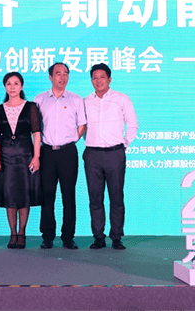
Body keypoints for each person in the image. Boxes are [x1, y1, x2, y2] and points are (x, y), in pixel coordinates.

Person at [84, 63, 138, 250]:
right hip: (92, 154)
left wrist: (124, 144)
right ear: (91, 81)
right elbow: (82, 126)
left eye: (102, 77)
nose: (98, 81)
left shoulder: (121, 99)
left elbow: (132, 124)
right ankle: (98, 237)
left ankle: (116, 237)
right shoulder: (86, 101)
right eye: (95, 78)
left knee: (116, 197)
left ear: (109, 79)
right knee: (95, 198)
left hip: (115, 154)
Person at [34, 62, 87, 250]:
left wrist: (71, 139)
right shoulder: (40, 99)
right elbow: (36, 128)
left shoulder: (76, 99)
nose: (62, 77)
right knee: (47, 195)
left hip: (68, 152)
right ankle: (47, 236)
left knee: (68, 195)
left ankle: (68, 237)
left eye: (66, 73)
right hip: (47, 152)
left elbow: (82, 125)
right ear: (50, 77)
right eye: (58, 73)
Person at [0, 72, 41, 249]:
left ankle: (22, 233)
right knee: (9, 196)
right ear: (5, 87)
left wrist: (36, 157)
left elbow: (36, 133)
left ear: (21, 86)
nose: (12, 87)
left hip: (25, 156)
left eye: (16, 83)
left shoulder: (31, 107)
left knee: (24, 195)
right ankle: (12, 233)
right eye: (9, 83)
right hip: (6, 157)